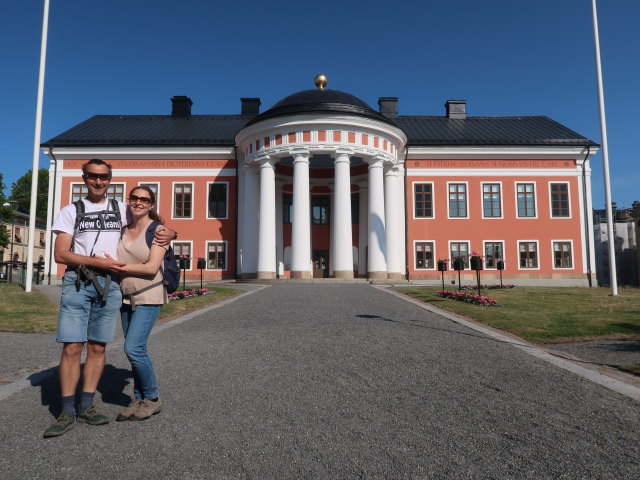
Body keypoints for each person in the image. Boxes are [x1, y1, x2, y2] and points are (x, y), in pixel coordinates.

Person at [44, 159, 175, 438]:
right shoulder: (70, 211)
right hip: (78, 281)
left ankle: (87, 407)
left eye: (103, 177)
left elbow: (150, 218)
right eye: (93, 176)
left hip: (110, 286)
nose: (98, 181)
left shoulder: (121, 208)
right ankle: (67, 411)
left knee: (98, 348)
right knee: (71, 347)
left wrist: (172, 232)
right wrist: (97, 263)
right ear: (84, 178)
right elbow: (61, 254)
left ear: (110, 179)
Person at [113, 186, 167, 421]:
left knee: (133, 348)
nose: (138, 202)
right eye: (134, 198)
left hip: (149, 294)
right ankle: (138, 398)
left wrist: (117, 267)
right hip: (126, 297)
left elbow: (152, 267)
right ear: (129, 201)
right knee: (136, 351)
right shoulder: (122, 230)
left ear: (151, 204)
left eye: (144, 199)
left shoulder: (158, 231)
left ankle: (153, 398)